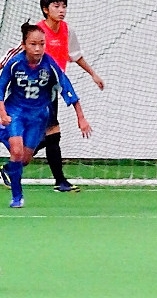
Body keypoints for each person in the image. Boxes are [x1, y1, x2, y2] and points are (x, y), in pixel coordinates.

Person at [0, 0, 104, 192]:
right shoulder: (37, 32)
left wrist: (93, 74)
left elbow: (75, 55)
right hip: (32, 91)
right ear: (46, 10)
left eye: (64, 6)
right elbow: (14, 53)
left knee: (50, 135)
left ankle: (17, 168)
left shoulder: (67, 31)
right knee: (52, 133)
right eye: (56, 6)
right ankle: (57, 180)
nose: (61, 10)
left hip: (51, 91)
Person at [0, 22, 92, 207]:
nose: (38, 48)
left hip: (39, 116)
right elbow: (1, 88)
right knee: (16, 151)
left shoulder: (50, 65)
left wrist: (81, 117)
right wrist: (2, 112)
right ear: (24, 44)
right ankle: (17, 197)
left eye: (42, 44)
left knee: (24, 159)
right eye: (33, 44)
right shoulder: (15, 63)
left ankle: (8, 161)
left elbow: (67, 89)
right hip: (15, 111)